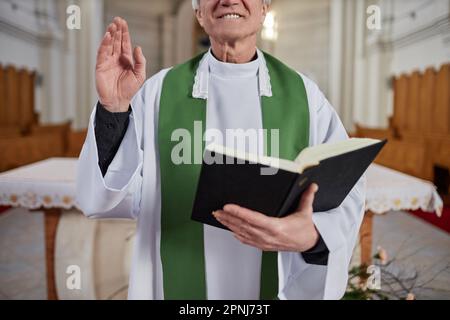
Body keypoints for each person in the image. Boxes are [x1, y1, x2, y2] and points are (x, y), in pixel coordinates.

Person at [77, 0, 366, 300]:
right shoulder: (159, 93)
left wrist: (315, 235)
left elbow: (347, 189)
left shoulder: (305, 97)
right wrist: (114, 109)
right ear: (198, 11)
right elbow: (108, 196)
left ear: (265, 6)